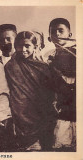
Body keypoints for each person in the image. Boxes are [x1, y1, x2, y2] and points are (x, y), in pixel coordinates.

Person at [4, 31, 57, 151]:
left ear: (34, 47)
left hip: (40, 114)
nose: (23, 49)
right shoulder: (10, 66)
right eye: (19, 45)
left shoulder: (43, 67)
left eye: (27, 46)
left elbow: (50, 93)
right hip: (18, 115)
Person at [47, 18, 76, 151]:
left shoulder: (77, 53)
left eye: (61, 30)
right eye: (54, 32)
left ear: (70, 35)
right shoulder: (48, 56)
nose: (57, 34)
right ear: (49, 37)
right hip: (59, 107)